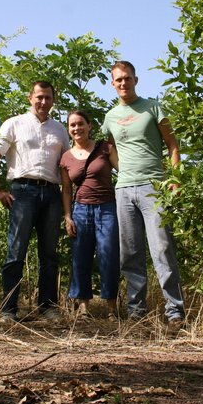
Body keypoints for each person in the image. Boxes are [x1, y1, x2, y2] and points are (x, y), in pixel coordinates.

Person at [101, 61, 185, 327]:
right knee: (130, 253)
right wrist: (120, 169)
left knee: (161, 247)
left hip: (154, 187)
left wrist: (175, 179)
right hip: (124, 189)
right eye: (118, 80)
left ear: (136, 80)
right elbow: (109, 147)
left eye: (127, 78)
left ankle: (174, 311)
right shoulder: (111, 116)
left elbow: (173, 144)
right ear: (112, 84)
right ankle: (137, 311)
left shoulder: (153, 108)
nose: (123, 83)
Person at [0, 80, 70, 323]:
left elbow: (65, 167)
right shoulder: (14, 123)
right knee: (16, 251)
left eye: (49, 98)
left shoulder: (60, 129)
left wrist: (69, 205)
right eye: (39, 97)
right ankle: (8, 309)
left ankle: (48, 307)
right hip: (22, 192)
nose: (44, 102)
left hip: (52, 194)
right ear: (29, 97)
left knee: (49, 254)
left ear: (54, 100)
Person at [60, 110, 119, 320]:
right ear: (69, 129)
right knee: (80, 258)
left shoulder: (105, 148)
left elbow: (123, 171)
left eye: (80, 124)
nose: (77, 128)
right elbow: (66, 189)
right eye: (72, 125)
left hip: (108, 208)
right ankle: (83, 308)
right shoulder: (66, 157)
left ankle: (112, 308)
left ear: (89, 125)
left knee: (109, 256)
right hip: (80, 210)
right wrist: (68, 217)